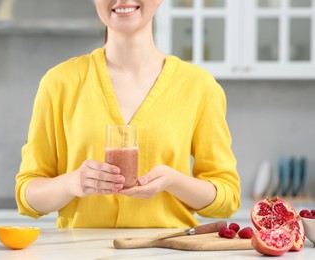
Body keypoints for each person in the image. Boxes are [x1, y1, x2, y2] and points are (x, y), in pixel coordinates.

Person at [15, 0, 241, 228]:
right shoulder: (58, 83)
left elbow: (227, 198)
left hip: (165, 250)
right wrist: (71, 183)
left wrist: (173, 182)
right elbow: (27, 195)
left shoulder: (200, 87)